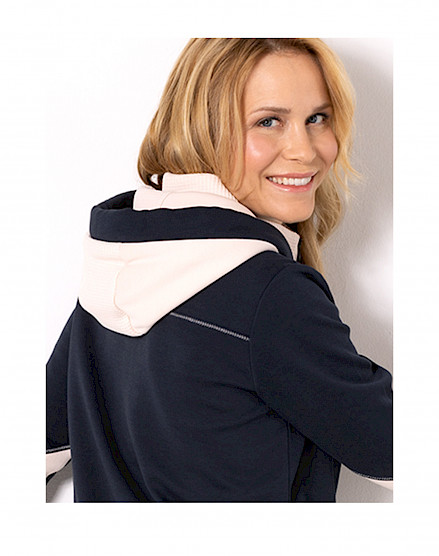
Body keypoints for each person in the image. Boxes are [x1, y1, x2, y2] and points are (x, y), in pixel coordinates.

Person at [46, 38, 393, 502]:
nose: (305, 150)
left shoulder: (114, 265)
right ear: (202, 129)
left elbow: (43, 443)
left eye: (318, 118)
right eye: (268, 121)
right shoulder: (270, 294)